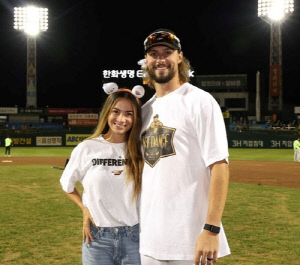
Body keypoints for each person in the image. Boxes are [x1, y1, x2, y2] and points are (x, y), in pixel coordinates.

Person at [139, 28, 231, 265]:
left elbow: (219, 165)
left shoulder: (199, 101)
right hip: (149, 239)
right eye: (154, 54)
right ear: (146, 61)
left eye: (167, 52)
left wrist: (211, 230)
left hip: (190, 240)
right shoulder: (144, 111)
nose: (160, 59)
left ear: (179, 57)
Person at [60, 84, 144, 265]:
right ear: (107, 113)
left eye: (129, 114)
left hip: (134, 237)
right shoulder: (87, 147)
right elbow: (67, 184)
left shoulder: (141, 150)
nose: (121, 119)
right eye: (116, 112)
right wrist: (84, 209)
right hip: (97, 237)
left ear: (135, 118)